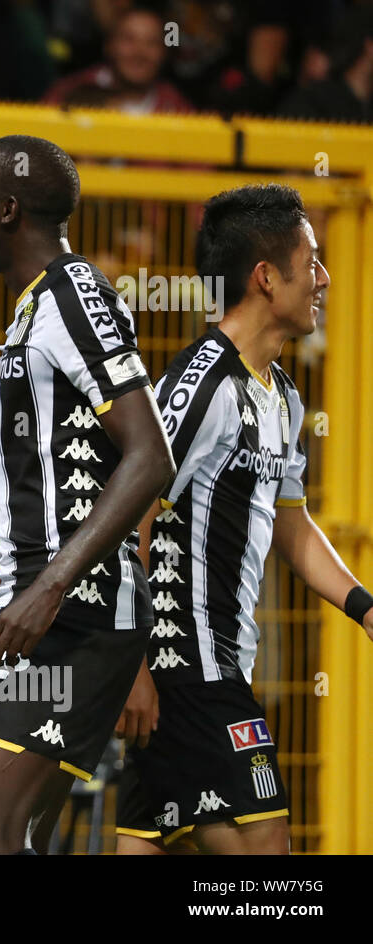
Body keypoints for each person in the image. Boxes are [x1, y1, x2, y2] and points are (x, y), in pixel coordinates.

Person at [0, 135, 174, 855]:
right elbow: (69, 478)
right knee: (18, 835)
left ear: (6, 209)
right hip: (52, 605)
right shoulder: (38, 308)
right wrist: (9, 583)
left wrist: (47, 588)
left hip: (78, 618)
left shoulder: (74, 294)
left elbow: (148, 455)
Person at [113, 184, 364, 855]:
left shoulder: (281, 395)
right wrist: (134, 664)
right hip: (185, 663)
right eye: (311, 262)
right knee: (267, 850)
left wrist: (364, 607)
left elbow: (293, 526)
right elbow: (127, 511)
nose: (325, 278)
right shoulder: (201, 383)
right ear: (265, 278)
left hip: (216, 661)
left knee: (150, 843)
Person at [43, 7, 193, 114]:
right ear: (109, 45)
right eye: (128, 40)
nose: (139, 52)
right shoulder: (66, 94)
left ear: (164, 53)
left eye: (152, 42)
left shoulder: (176, 108)